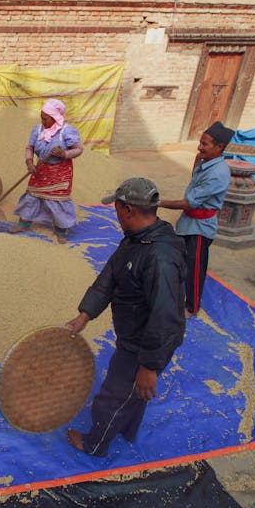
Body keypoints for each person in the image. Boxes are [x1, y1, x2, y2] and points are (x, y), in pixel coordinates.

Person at [65, 177, 186, 457]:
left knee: (113, 396)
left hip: (144, 343)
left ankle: (94, 443)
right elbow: (110, 275)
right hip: (133, 334)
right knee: (134, 394)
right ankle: (127, 429)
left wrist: (149, 366)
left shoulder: (159, 258)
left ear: (128, 209)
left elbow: (166, 316)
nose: (115, 214)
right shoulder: (138, 239)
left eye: (117, 208)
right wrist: (86, 314)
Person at [159, 121, 233, 318]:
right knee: (178, 260)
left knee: (195, 268)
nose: (199, 147)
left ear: (219, 147)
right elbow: (194, 181)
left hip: (199, 228)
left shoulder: (218, 173)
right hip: (187, 223)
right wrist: (197, 160)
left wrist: (158, 203)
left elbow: (190, 202)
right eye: (200, 142)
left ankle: (191, 307)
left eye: (205, 144)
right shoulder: (206, 162)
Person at [8, 98, 84, 244]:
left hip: (60, 173)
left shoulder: (66, 132)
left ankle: (61, 230)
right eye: (41, 118)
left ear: (55, 117)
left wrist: (64, 154)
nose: (42, 121)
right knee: (32, 196)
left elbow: (79, 149)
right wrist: (29, 162)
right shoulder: (37, 130)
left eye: (45, 118)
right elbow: (29, 148)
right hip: (40, 170)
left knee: (58, 201)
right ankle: (23, 223)